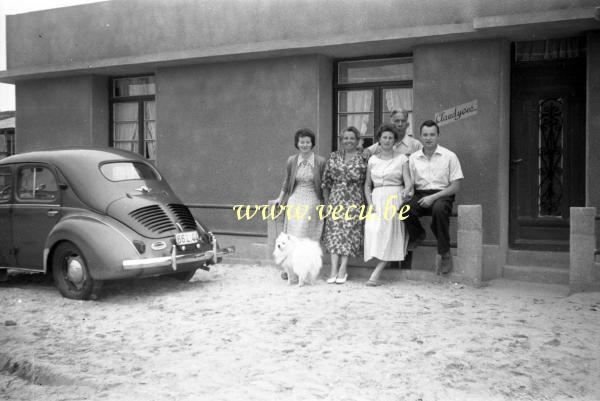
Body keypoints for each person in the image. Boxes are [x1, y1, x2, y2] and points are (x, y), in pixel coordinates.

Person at [405, 120, 463, 274]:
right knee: (404, 210)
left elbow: (456, 186)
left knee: (438, 209)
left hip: (443, 194)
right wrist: (407, 192)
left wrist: (433, 197)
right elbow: (410, 183)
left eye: (432, 135)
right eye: (425, 135)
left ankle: (445, 253)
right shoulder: (413, 158)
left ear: (438, 136)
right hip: (421, 194)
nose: (428, 138)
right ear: (420, 136)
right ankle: (418, 234)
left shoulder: (449, 156)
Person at [363, 124, 413, 286]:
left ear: (395, 141)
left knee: (391, 234)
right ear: (378, 140)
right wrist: (370, 203)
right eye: (384, 137)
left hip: (394, 198)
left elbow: (408, 182)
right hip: (377, 198)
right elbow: (367, 185)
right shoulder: (372, 160)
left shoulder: (402, 159)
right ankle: (384, 264)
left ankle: (376, 274)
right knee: (377, 232)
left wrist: (407, 192)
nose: (387, 140)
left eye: (390, 138)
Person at [321, 127, 367, 284]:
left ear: (357, 140)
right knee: (334, 233)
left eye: (352, 138)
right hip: (335, 198)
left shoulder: (363, 158)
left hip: (354, 199)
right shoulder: (333, 157)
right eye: (345, 138)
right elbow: (325, 182)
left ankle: (343, 269)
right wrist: (327, 203)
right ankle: (333, 269)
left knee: (348, 233)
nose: (348, 141)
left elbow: (367, 182)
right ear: (341, 140)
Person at [275, 128, 326, 242]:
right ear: (297, 144)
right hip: (295, 197)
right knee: (293, 230)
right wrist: (280, 198)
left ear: (312, 143)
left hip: (313, 197)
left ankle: (307, 256)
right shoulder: (292, 160)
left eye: (308, 142)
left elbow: (324, 184)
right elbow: (287, 181)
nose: (305, 145)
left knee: (306, 226)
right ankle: (294, 256)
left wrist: (325, 203)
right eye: (302, 142)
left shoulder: (320, 161)